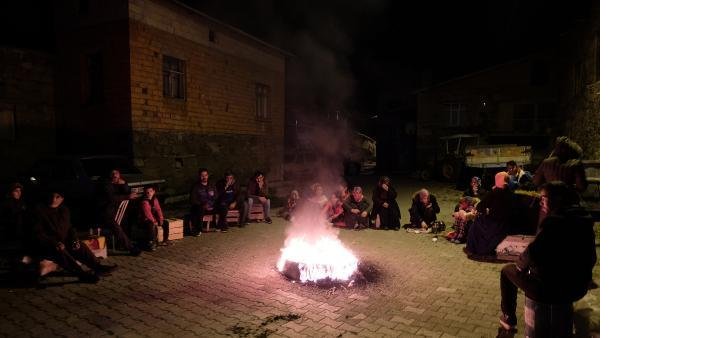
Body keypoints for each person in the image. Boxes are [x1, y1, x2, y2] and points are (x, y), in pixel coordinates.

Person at [498, 181, 597, 331]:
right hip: (578, 287)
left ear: (557, 199)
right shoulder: (583, 219)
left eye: (544, 198)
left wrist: (520, 266)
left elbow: (531, 254)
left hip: (551, 290)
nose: (541, 203)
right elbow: (591, 257)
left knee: (507, 271)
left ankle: (508, 318)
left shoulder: (554, 222)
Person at [32, 190, 117, 283]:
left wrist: (74, 239)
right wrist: (54, 243)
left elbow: (70, 228)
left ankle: (97, 267)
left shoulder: (64, 210)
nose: (54, 199)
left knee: (79, 246)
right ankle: (81, 274)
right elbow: (39, 233)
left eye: (57, 197)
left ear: (62, 199)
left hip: (63, 241)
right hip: (47, 244)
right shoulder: (40, 211)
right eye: (52, 196)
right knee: (61, 251)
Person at [466, 172, 517, 255]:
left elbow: (480, 206)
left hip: (494, 223)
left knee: (476, 223)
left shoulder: (495, 192)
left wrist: (486, 212)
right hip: (507, 223)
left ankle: (474, 248)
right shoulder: (512, 193)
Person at [95, 169, 140, 256]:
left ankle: (123, 243)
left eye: (117, 174)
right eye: (113, 174)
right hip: (104, 212)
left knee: (127, 218)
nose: (115, 176)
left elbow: (127, 192)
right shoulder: (106, 184)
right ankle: (130, 248)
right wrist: (127, 196)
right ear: (110, 176)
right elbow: (111, 198)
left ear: (119, 175)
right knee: (116, 227)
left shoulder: (118, 183)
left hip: (114, 210)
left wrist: (124, 184)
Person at [139, 185, 170, 251]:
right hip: (145, 220)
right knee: (151, 225)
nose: (149, 193)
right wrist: (154, 221)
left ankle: (165, 240)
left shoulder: (155, 199)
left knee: (165, 223)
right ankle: (151, 244)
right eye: (147, 192)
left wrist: (161, 218)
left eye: (150, 191)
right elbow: (147, 214)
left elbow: (158, 209)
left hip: (153, 218)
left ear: (153, 192)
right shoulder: (144, 201)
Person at [190, 168, 217, 236]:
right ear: (199, 176)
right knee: (198, 209)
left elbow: (216, 196)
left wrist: (211, 204)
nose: (204, 177)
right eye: (202, 175)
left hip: (211, 206)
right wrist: (203, 205)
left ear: (208, 176)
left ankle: (220, 225)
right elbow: (193, 200)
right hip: (201, 207)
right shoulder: (196, 186)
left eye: (205, 175)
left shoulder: (212, 185)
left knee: (222, 205)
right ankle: (198, 230)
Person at [0, 183, 28, 247]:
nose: (19, 193)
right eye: (16, 191)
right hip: (9, 236)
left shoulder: (22, 203)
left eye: (20, 191)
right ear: (11, 192)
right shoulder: (5, 204)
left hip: (20, 235)